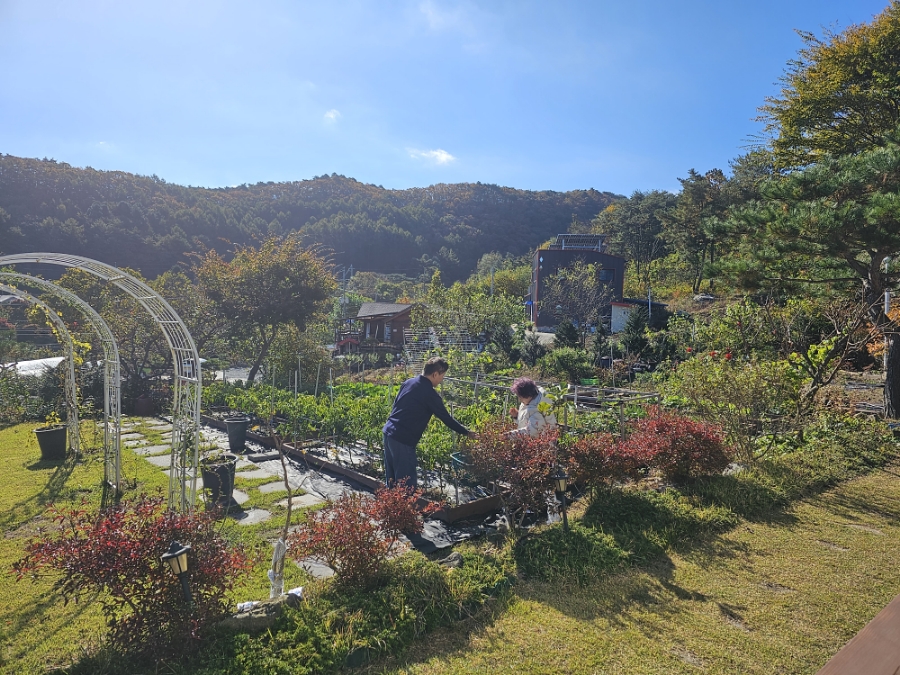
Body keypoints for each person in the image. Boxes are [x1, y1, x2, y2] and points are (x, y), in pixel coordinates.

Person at [382, 356, 476, 488]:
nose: (442, 380)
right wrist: (466, 432)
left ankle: (390, 508)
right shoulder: (429, 394)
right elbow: (446, 418)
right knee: (405, 486)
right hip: (402, 440)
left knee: (392, 483)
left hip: (388, 433)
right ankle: (405, 508)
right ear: (435, 374)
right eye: (442, 376)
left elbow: (396, 405)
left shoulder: (409, 382)